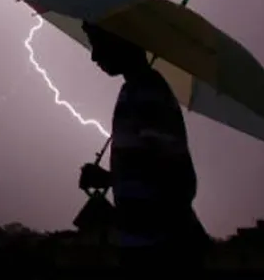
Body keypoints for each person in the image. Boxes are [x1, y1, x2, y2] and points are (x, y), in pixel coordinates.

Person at [78, 21, 210, 274]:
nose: (93, 56)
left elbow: (176, 178)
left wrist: (110, 179)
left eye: (98, 45)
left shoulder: (149, 93)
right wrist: (109, 179)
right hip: (144, 247)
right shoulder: (133, 90)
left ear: (122, 42)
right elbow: (149, 169)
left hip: (164, 252)